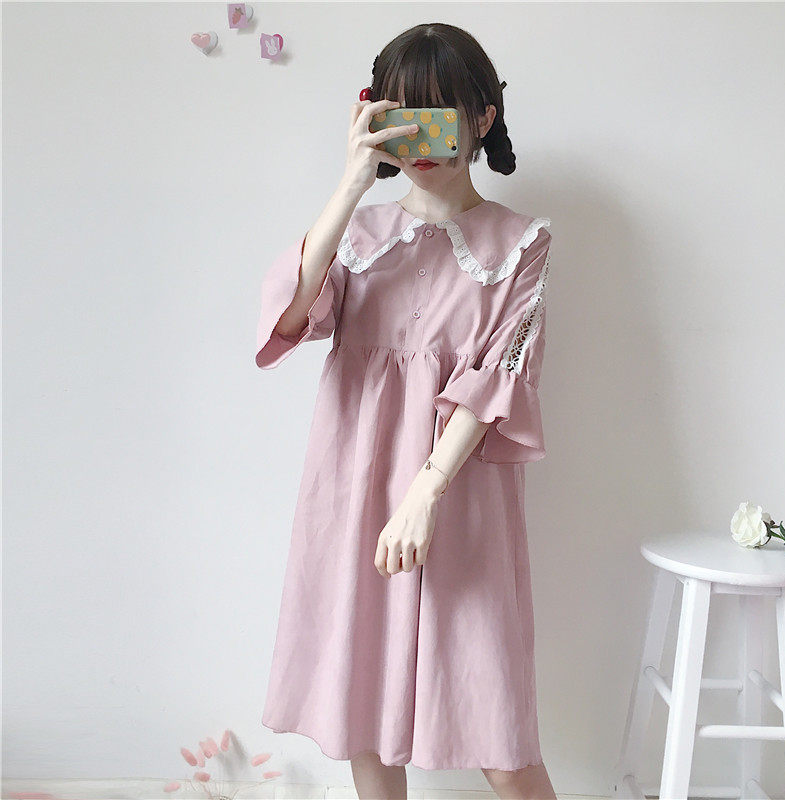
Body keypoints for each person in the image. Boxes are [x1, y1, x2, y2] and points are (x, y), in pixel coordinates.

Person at [255, 22, 557, 800]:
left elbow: (500, 375)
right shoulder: (357, 234)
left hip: (456, 493)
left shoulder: (521, 243)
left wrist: (425, 492)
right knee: (362, 704)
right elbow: (290, 316)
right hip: (354, 487)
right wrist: (352, 181)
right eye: (405, 112)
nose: (422, 137)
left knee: (496, 723)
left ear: (482, 117)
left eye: (441, 112)